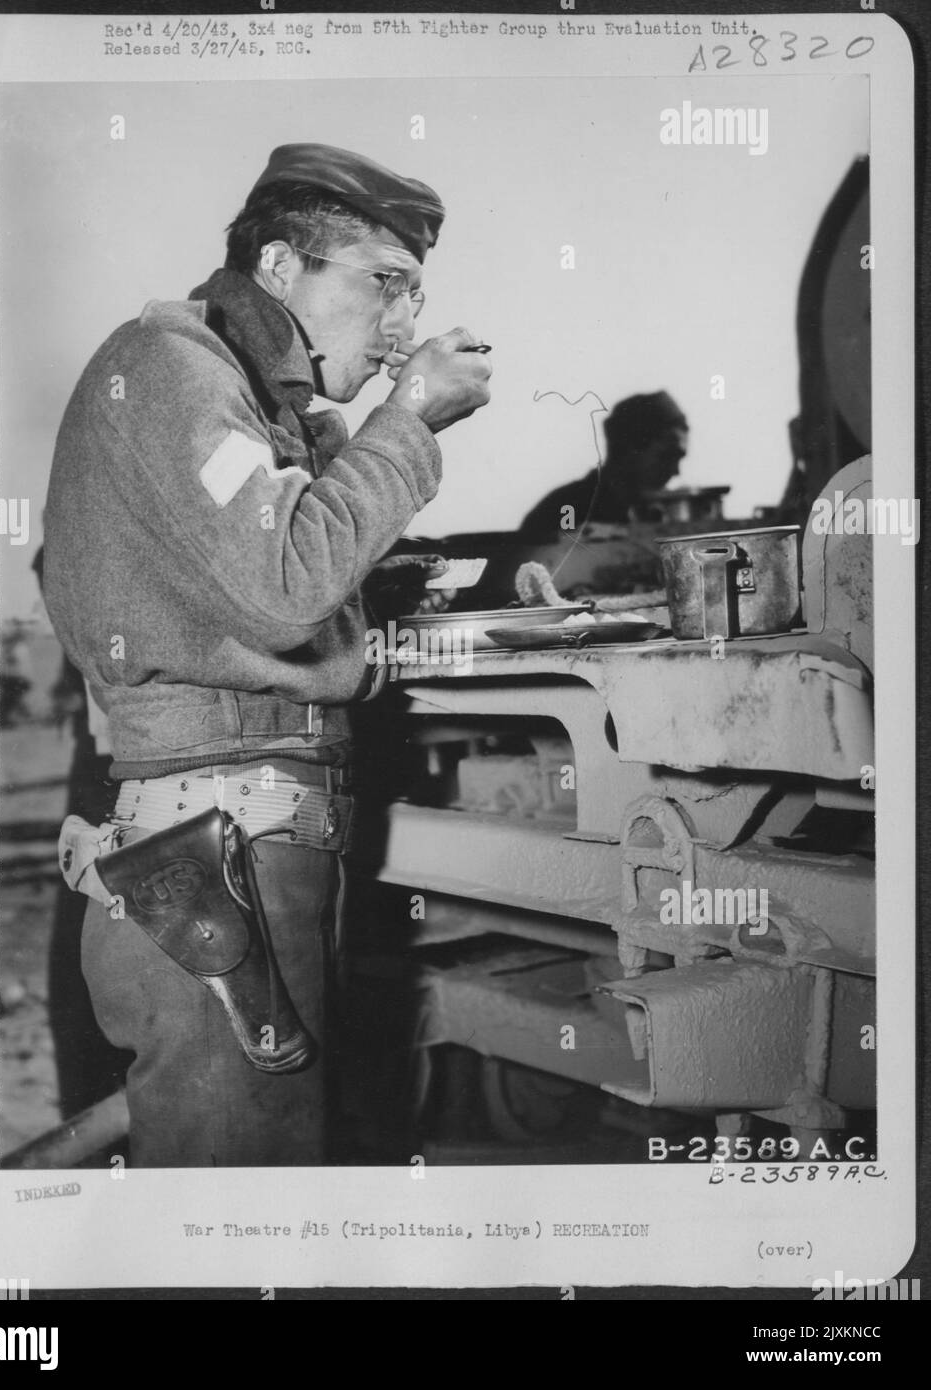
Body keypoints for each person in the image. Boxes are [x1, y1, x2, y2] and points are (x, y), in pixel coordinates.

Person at [42, 143, 491, 1166]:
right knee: (237, 1201)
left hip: (240, 844)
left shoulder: (246, 401)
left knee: (250, 1170)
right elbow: (287, 583)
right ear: (281, 268)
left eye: (414, 295)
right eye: (384, 284)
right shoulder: (168, 364)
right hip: (221, 851)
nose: (402, 327)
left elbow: (305, 584)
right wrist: (408, 418)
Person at [517, 391, 688, 539]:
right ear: (629, 449)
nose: (675, 471)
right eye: (667, 457)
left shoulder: (668, 514)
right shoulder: (566, 507)